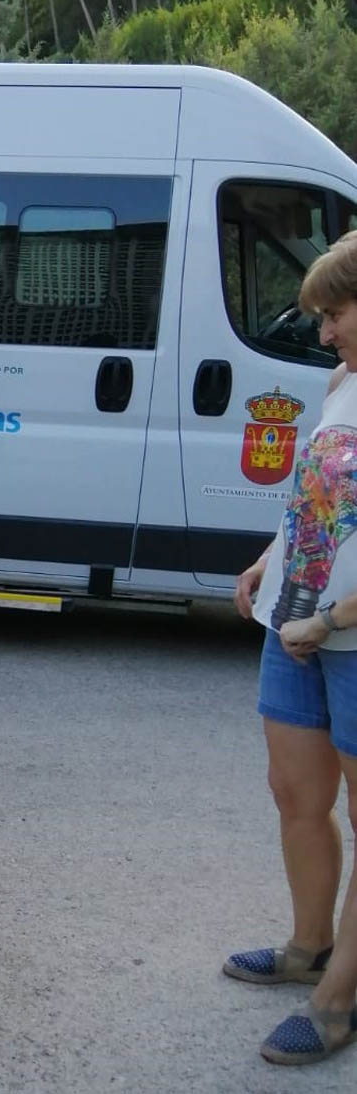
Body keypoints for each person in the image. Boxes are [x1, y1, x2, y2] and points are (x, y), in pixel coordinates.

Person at [225, 230, 357, 1066]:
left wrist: (335, 620)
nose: (322, 334)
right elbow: (321, 494)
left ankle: (339, 998)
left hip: (341, 633)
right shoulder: (345, 383)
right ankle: (310, 944)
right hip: (296, 620)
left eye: (334, 314)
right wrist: (271, 557)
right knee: (295, 794)